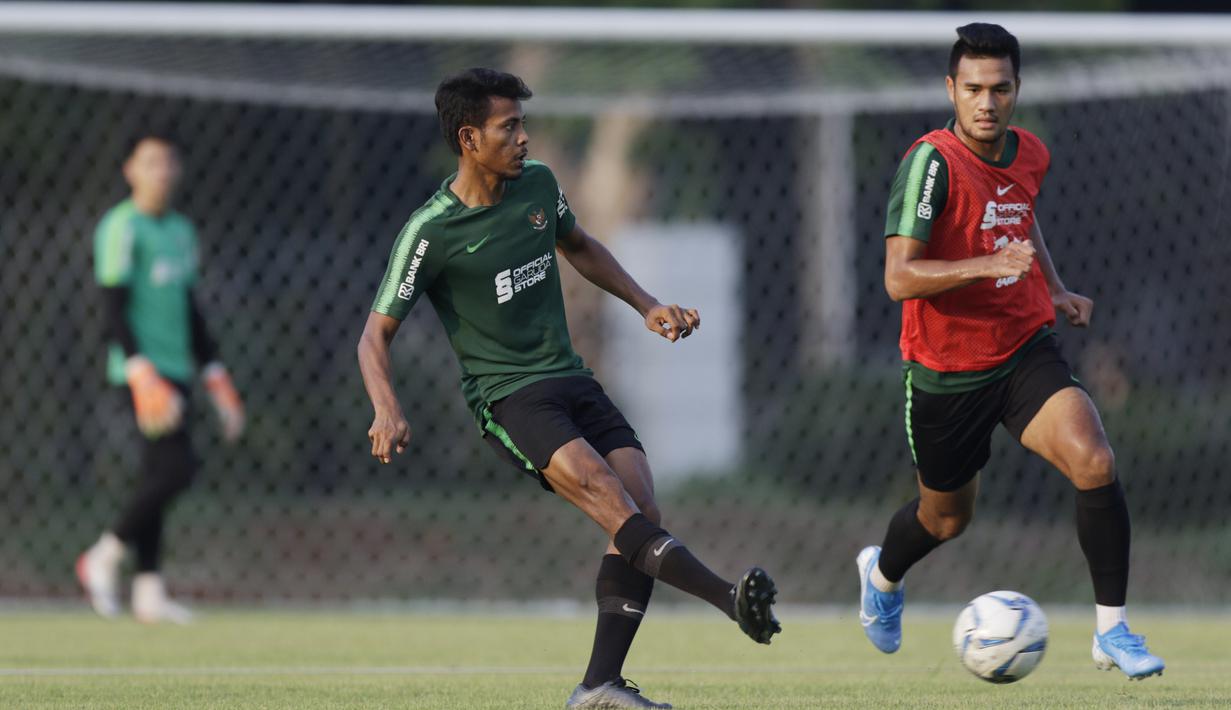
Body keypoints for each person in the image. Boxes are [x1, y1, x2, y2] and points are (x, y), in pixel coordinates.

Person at [358, 68, 780, 709]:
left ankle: (600, 686)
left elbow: (579, 245)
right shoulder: (431, 230)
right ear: (469, 138)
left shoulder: (539, 186)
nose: (524, 138)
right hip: (511, 399)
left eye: (522, 124)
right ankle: (728, 600)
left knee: (641, 509)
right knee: (612, 499)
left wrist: (646, 304)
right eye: (510, 127)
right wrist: (387, 408)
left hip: (572, 377)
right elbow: (373, 335)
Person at [857, 23, 1164, 680]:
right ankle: (880, 579)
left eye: (999, 88)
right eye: (972, 89)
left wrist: (1050, 288)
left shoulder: (1029, 153)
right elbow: (898, 278)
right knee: (944, 520)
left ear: (1016, 89)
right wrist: (987, 262)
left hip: (1023, 347)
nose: (986, 102)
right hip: (945, 374)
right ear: (951, 89)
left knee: (1094, 459)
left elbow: (1019, 213)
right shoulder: (929, 163)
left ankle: (1111, 630)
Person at [77, 133, 245, 624]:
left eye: (169, 162)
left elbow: (191, 312)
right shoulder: (121, 226)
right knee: (177, 469)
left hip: (177, 372)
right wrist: (139, 371)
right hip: (141, 375)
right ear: (129, 169)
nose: (162, 171)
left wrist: (215, 375)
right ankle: (103, 557)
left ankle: (148, 590)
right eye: (150, 162)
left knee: (158, 474)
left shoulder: (180, 231)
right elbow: (112, 307)